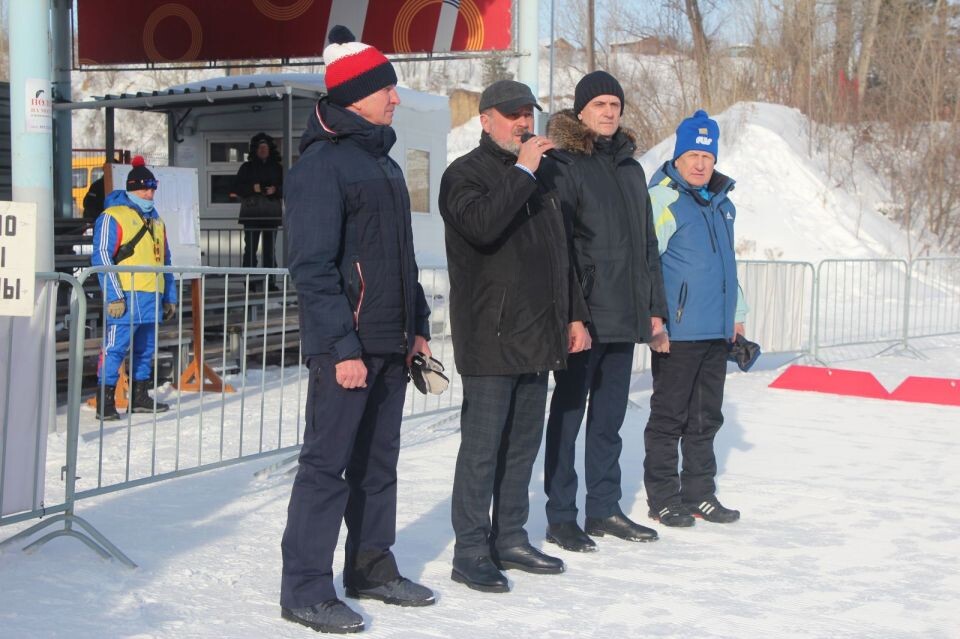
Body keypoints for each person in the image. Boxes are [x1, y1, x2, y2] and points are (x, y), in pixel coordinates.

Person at [279, 26, 435, 634]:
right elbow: (312, 267)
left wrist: (417, 326)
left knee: (379, 464)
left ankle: (371, 567)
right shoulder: (323, 165)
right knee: (326, 468)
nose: (396, 97)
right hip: (346, 349)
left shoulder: (382, 162)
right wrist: (342, 347)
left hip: (391, 343)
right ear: (356, 94)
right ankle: (304, 590)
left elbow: (402, 259)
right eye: (387, 88)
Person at [439, 79, 591, 593]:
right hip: (490, 334)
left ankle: (511, 538)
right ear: (485, 120)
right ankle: (470, 551)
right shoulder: (464, 175)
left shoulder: (542, 177)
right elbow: (482, 226)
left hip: (538, 331)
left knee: (522, 445)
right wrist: (524, 170)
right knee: (482, 450)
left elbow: (558, 253)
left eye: (528, 113)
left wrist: (573, 315)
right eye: (512, 115)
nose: (524, 122)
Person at [540, 70, 669, 552]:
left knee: (609, 419)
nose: (609, 112)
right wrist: (573, 314)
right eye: (599, 105)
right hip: (586, 317)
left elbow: (647, 245)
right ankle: (560, 515)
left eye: (615, 104)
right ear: (582, 112)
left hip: (625, 315)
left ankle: (604, 508)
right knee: (569, 417)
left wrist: (653, 308)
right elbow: (561, 247)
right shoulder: (565, 164)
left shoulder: (633, 169)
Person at [643, 109, 747, 527]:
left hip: (715, 331)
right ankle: (664, 498)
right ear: (679, 156)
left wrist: (736, 316)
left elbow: (728, 266)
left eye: (708, 156)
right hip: (677, 333)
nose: (701, 164)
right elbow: (648, 265)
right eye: (692, 155)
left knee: (707, 417)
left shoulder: (724, 205)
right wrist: (655, 320)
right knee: (670, 417)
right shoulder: (662, 199)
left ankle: (700, 493)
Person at [90, 156, 176, 420]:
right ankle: (106, 400)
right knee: (115, 348)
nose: (149, 193)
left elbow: (166, 260)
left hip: (152, 295)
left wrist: (169, 296)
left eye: (153, 188)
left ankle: (139, 395)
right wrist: (114, 295)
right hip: (126, 297)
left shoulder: (157, 221)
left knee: (146, 349)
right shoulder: (111, 216)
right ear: (131, 188)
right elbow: (102, 256)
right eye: (144, 188)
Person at [234, 132, 283, 270]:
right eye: (260, 147)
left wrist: (275, 190)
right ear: (255, 150)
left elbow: (288, 187)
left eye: (265, 147)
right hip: (251, 214)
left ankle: (270, 283)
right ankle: (250, 283)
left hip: (271, 214)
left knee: (269, 251)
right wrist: (253, 188)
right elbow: (236, 187)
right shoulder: (246, 167)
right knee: (250, 250)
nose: (263, 150)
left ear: (270, 150)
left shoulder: (277, 168)